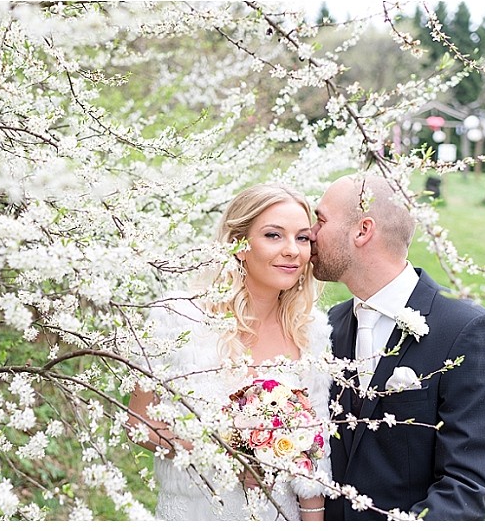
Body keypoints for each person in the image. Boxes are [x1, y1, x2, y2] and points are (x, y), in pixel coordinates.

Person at [309, 173, 485, 520]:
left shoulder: (469, 331)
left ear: (363, 230)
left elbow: (467, 485)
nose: (310, 233)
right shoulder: (330, 324)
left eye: (321, 220)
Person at [126, 183, 333, 521]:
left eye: (302, 238)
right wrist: (226, 451)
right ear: (239, 245)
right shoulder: (177, 318)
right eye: (273, 235)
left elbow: (316, 454)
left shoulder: (312, 331)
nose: (292, 250)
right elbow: (138, 422)